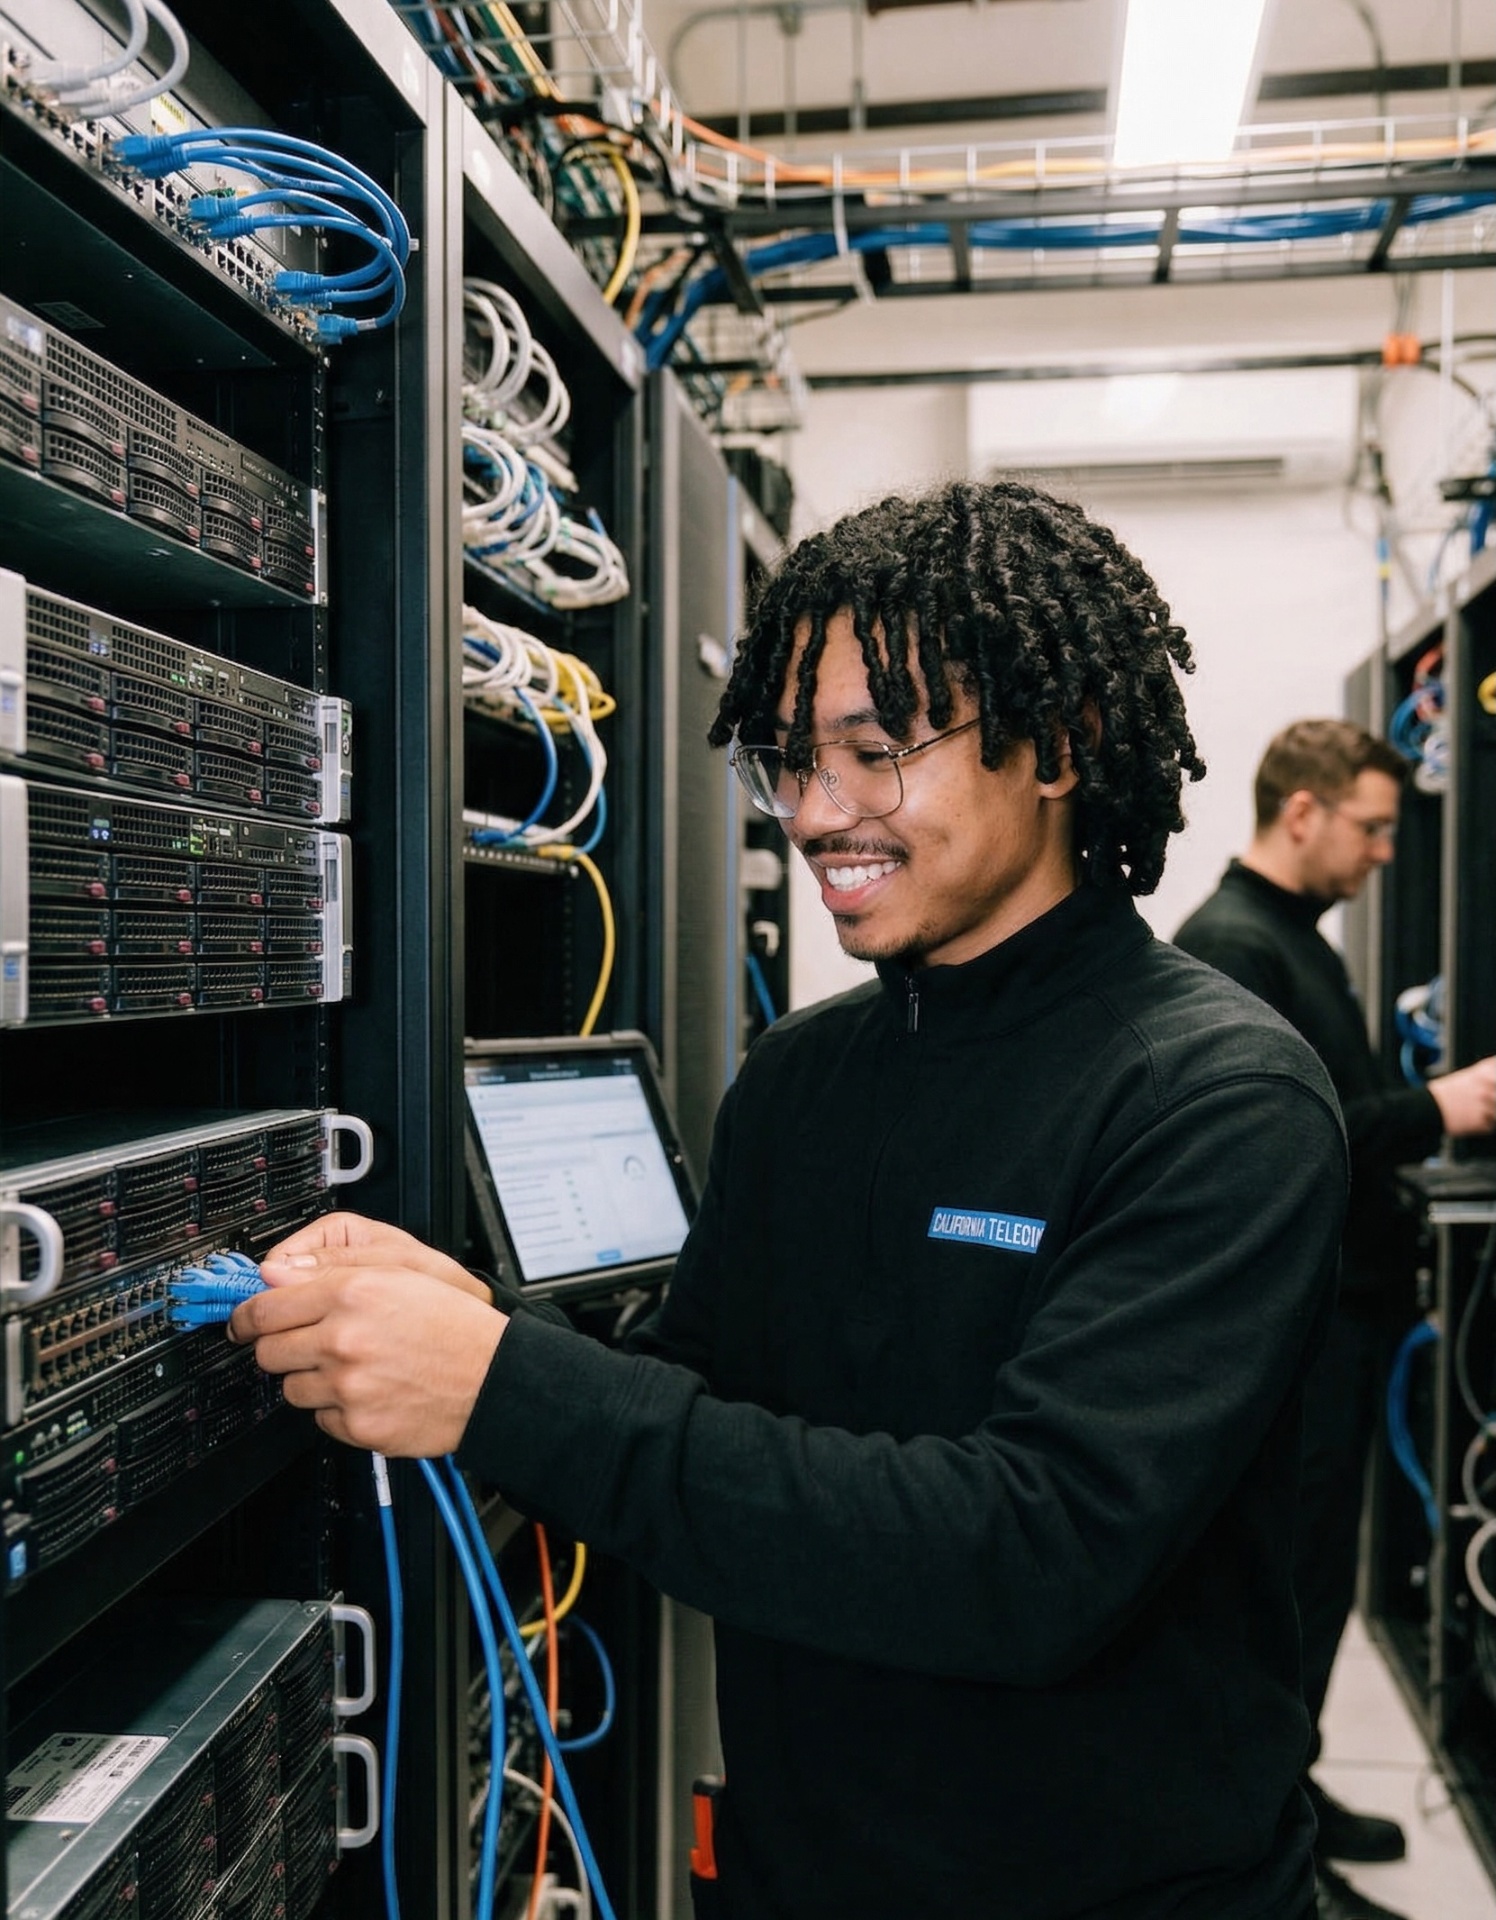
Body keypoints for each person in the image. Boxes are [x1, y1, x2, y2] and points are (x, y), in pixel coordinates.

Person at [231, 480, 1349, 1920]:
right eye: (794, 760)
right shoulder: (807, 1078)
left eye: (877, 754)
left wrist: (510, 1387)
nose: (820, 816)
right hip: (794, 1874)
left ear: (1060, 748)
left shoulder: (1214, 1098)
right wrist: (470, 1330)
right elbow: (707, 1402)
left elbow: (1032, 1553)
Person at [1174, 718, 1496, 1920]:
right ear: (1298, 813)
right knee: (1285, 1603)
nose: (1378, 855)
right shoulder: (1229, 945)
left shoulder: (1295, 940)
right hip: (1294, 1345)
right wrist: (1434, 1106)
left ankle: (1290, 1801)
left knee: (1316, 1593)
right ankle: (1270, 1860)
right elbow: (1291, 1149)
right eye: (1366, 829)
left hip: (1340, 1326)